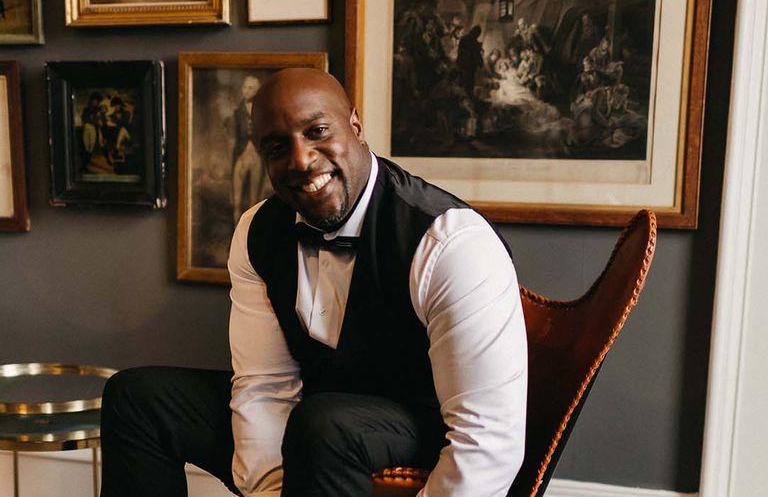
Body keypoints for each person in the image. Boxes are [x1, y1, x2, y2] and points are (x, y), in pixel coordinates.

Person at [100, 68, 527, 497]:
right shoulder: (257, 230)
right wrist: (269, 492)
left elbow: (487, 440)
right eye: (277, 147)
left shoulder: (449, 242)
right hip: (313, 413)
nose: (301, 161)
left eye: (317, 131)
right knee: (137, 397)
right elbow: (265, 384)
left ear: (356, 127)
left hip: (417, 425)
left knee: (325, 423)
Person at [231, 75, 268, 225]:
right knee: (237, 201)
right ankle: (236, 239)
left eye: (250, 88)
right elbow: (233, 138)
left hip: (257, 157)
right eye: (245, 87)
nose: (246, 91)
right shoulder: (237, 112)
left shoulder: (264, 112)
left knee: (254, 202)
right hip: (241, 156)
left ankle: (251, 241)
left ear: (257, 90)